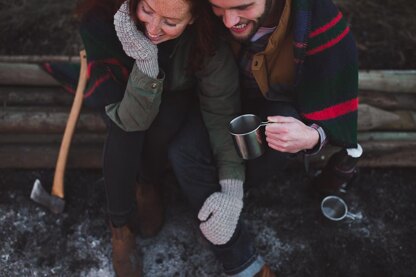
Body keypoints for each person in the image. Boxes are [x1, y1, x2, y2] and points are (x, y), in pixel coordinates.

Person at [169, 0, 364, 275]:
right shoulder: (205, 15)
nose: (228, 21)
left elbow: (336, 90)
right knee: (183, 151)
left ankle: (234, 191)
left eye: (243, 6)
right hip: (216, 103)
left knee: (280, 126)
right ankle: (240, 258)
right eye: (218, 7)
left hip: (275, 108)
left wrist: (311, 136)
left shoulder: (315, 18)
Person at [101, 0, 264, 276]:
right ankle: (119, 227)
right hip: (115, 88)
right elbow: (130, 120)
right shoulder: (106, 19)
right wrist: (144, 61)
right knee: (123, 129)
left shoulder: (207, 44)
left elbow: (221, 111)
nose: (152, 29)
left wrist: (232, 188)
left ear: (193, 19)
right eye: (148, 10)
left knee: (172, 111)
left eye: (170, 22)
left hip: (168, 97)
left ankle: (147, 183)